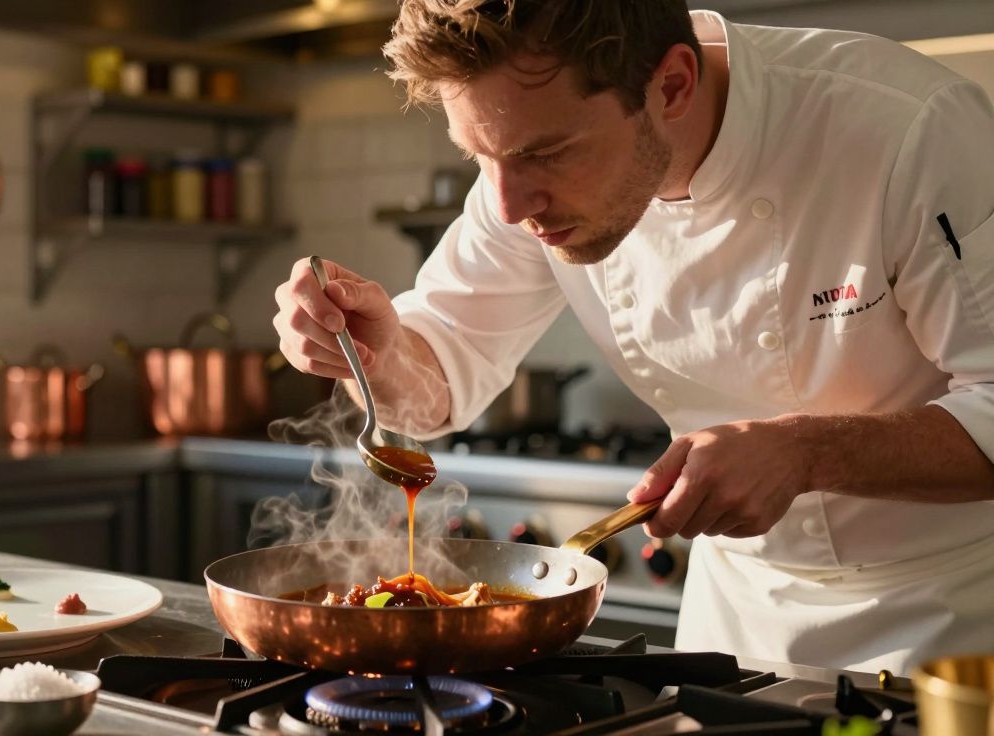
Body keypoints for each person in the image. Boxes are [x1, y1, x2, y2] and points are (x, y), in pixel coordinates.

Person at [271, 0, 994, 673]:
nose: (508, 204)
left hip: (952, 623)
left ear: (671, 85)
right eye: (478, 157)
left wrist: (805, 452)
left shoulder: (911, 131)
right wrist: (376, 354)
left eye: (547, 153)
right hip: (735, 629)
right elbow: (442, 378)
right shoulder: (519, 173)